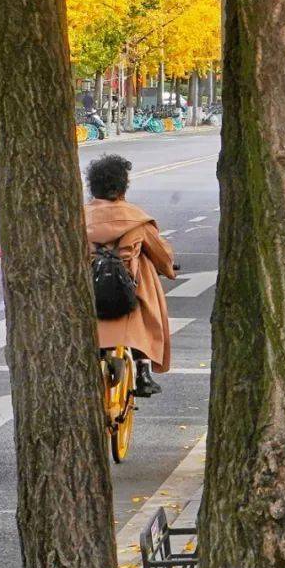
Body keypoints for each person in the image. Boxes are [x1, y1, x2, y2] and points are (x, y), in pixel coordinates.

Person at [85, 153, 177, 398]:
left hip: (89, 290)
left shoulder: (77, 217)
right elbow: (161, 255)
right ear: (123, 187)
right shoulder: (137, 219)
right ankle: (143, 370)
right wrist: (168, 268)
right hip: (127, 292)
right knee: (146, 280)